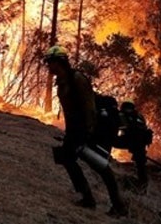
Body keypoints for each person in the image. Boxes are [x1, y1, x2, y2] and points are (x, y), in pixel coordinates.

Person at [44, 46, 127, 217]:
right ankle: (87, 198)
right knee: (66, 158)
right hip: (75, 130)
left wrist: (88, 132)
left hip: (88, 129)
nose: (48, 67)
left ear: (59, 62)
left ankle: (118, 206)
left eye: (50, 63)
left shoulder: (77, 79)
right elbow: (69, 110)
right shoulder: (61, 82)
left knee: (101, 167)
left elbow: (89, 107)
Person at [114, 100, 152, 190]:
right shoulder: (139, 116)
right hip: (140, 143)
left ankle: (141, 183)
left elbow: (115, 129)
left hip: (131, 141)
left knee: (108, 140)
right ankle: (143, 183)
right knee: (141, 163)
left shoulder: (121, 115)